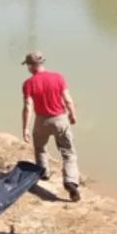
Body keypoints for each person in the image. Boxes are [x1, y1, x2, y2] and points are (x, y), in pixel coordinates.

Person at [20, 51, 81, 202]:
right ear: (42, 63)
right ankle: (70, 181)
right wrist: (72, 114)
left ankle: (43, 172)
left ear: (30, 66)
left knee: (40, 148)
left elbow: (28, 106)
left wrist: (25, 128)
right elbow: (67, 99)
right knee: (68, 152)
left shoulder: (28, 83)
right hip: (60, 119)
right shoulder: (58, 77)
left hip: (41, 121)